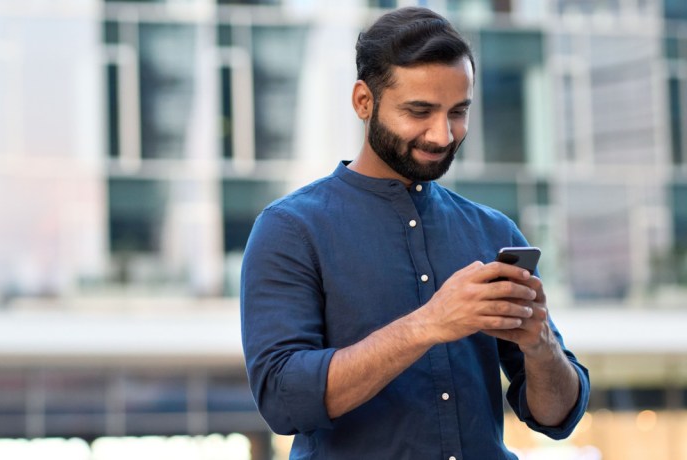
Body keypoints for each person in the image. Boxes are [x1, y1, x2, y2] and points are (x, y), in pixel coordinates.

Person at [240, 6, 590, 459]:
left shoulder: (493, 229)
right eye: (420, 111)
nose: (442, 135)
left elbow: (556, 418)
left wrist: (539, 345)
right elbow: (284, 401)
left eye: (458, 112)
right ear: (364, 101)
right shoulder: (289, 229)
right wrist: (429, 324)